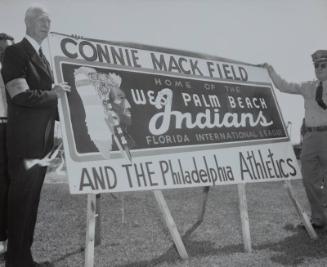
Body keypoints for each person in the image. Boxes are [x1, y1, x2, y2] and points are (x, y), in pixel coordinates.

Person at [1, 5, 70, 267]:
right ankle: (17, 260)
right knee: (21, 202)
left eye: (50, 21)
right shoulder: (16, 53)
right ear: (28, 22)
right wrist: (55, 93)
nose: (47, 24)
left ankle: (23, 256)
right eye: (42, 20)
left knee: (31, 202)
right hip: (24, 144)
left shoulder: (43, 58)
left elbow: (49, 103)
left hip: (42, 145)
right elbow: (20, 95)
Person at [263, 50, 327, 230]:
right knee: (308, 178)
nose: (319, 68)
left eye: (323, 65)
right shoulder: (308, 86)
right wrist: (271, 71)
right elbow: (284, 86)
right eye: (316, 65)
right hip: (311, 137)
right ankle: (318, 219)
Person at [0, 32, 14, 260]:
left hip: (16, 131)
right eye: (3, 50)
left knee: (15, 188)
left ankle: (12, 241)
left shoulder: (18, 73)